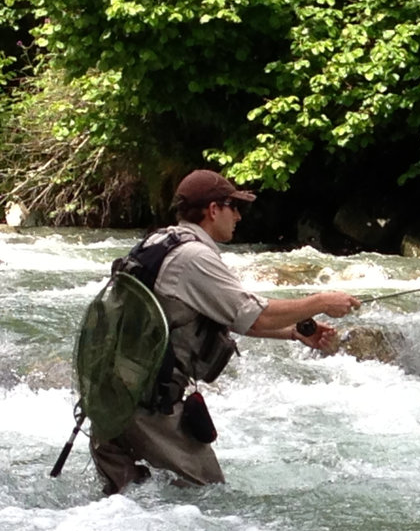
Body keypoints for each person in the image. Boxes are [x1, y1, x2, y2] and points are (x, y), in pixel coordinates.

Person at [90, 169, 361, 495]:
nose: (239, 216)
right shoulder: (194, 257)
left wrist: (293, 332)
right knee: (208, 496)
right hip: (148, 406)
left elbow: (223, 316)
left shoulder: (158, 242)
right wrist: (320, 301)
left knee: (128, 504)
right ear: (213, 209)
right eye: (235, 207)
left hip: (111, 398)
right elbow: (254, 316)